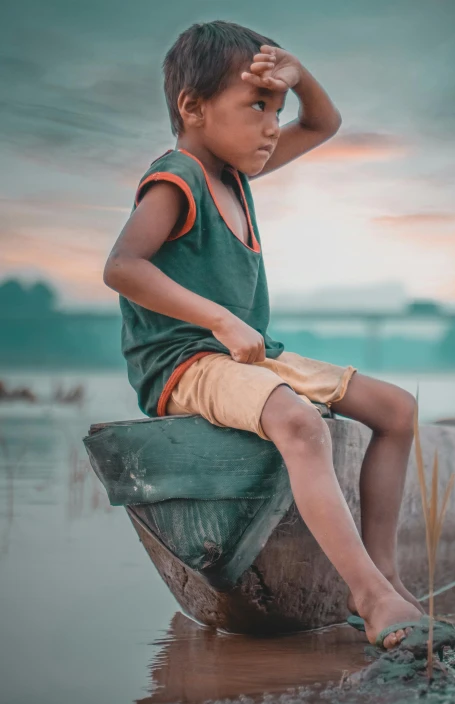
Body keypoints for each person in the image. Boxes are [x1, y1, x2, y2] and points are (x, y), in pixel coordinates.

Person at [104, 20, 427, 650]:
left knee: (397, 410)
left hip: (248, 355)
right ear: (192, 108)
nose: (273, 123)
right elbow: (122, 266)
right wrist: (219, 318)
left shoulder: (235, 177)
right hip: (185, 362)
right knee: (300, 423)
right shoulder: (178, 178)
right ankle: (370, 596)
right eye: (256, 106)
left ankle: (386, 576)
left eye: (277, 108)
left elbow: (324, 123)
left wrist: (297, 73)